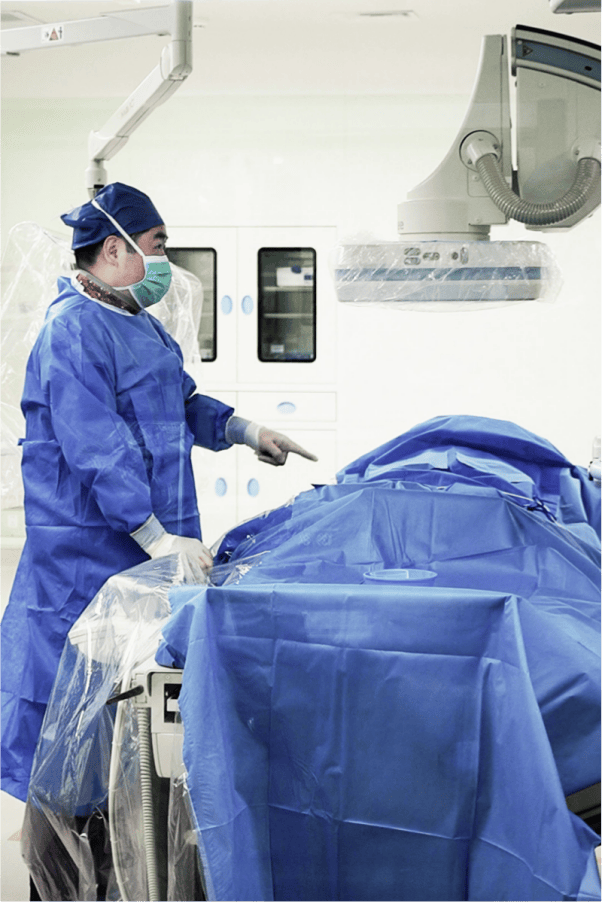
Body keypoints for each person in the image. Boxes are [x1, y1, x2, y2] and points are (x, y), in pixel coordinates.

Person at [0, 182, 316, 811]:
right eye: (158, 244)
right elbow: (97, 448)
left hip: (152, 549)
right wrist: (153, 536)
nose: (165, 260)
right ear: (114, 249)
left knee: (134, 701)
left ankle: (121, 824)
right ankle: (59, 837)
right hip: (87, 556)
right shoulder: (72, 331)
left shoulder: (140, 325)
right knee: (72, 701)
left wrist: (246, 431)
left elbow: (181, 401)